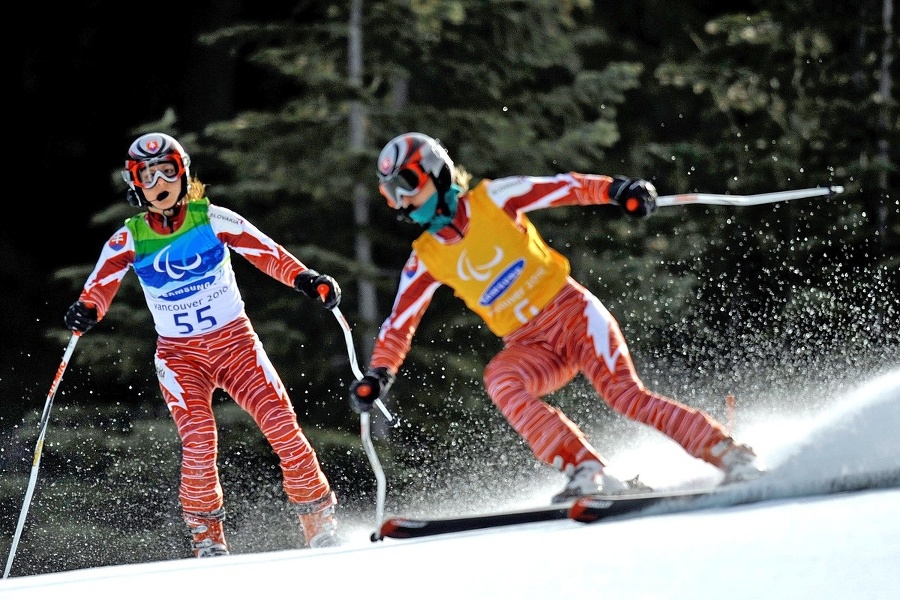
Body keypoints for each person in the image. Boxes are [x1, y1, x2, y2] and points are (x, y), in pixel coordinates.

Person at [349, 132, 765, 503]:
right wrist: (379, 374)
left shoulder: (494, 198)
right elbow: (398, 325)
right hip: (531, 345)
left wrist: (618, 190)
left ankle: (729, 453)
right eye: (390, 193)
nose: (400, 200)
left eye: (406, 185)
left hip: (573, 315)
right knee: (501, 379)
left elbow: (564, 187)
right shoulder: (425, 257)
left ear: (437, 174)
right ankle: (587, 469)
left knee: (625, 396)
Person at [65, 132, 344, 556]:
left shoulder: (210, 218)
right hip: (180, 359)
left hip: (235, 346)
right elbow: (100, 283)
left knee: (281, 426)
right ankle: (207, 538)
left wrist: (307, 279)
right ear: (135, 183)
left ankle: (319, 522)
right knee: (199, 440)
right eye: (148, 174)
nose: (160, 183)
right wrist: (87, 309)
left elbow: (265, 251)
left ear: (184, 173)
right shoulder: (130, 237)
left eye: (168, 171)